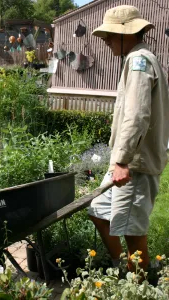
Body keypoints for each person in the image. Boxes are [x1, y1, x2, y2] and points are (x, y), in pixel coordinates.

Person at [88, 5, 169, 273]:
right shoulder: (135, 58)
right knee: (99, 210)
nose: (107, 41)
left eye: (110, 35)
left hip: (134, 164)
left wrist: (122, 161)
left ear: (127, 34)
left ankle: (139, 286)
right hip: (125, 162)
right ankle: (121, 268)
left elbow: (137, 115)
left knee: (132, 231)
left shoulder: (138, 62)